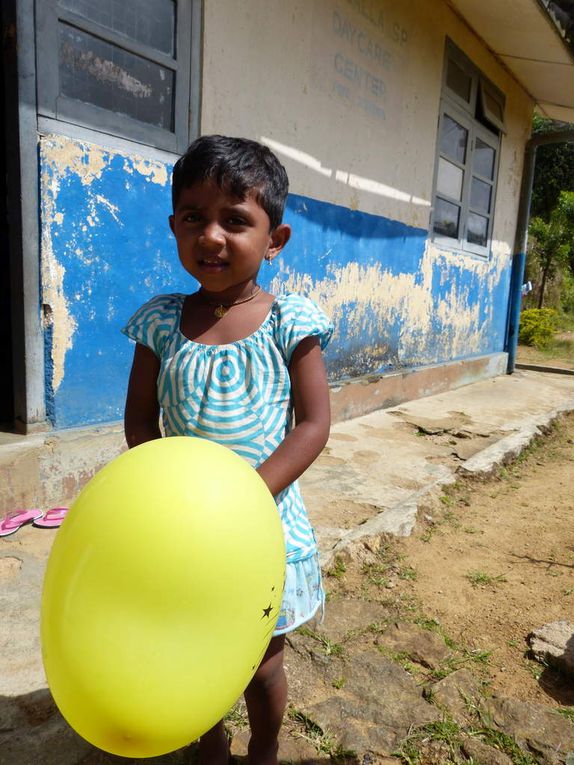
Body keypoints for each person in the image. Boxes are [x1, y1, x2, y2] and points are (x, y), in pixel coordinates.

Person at [122, 135, 333, 765]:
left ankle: (264, 747)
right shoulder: (161, 320)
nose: (211, 236)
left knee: (261, 665)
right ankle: (207, 743)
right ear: (173, 227)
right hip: (184, 529)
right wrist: (169, 492)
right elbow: (140, 420)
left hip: (262, 528)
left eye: (235, 220)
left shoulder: (290, 319)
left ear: (275, 240)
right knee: (191, 651)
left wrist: (248, 492)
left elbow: (314, 424)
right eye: (194, 218)